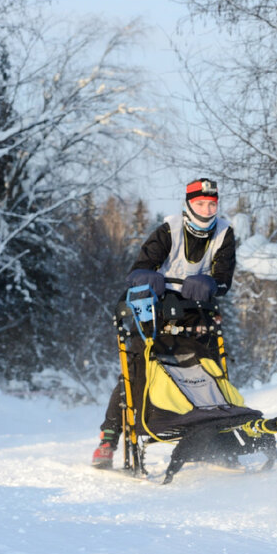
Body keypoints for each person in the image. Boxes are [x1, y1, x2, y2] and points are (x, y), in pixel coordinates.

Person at [91, 177, 238, 468]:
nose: (207, 210)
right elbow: (140, 269)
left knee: (205, 371)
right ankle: (109, 436)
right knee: (136, 368)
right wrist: (149, 278)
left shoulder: (224, 234)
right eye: (200, 204)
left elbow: (224, 279)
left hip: (198, 311)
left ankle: (216, 436)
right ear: (189, 204)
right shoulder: (169, 229)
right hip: (157, 310)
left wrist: (210, 283)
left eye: (212, 205)